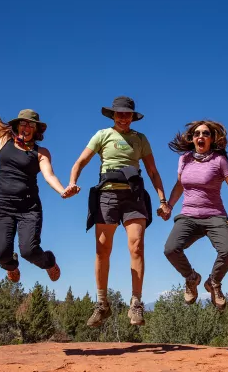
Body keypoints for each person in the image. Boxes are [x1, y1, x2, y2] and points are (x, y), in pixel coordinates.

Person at [63, 96, 171, 327]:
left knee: (137, 245)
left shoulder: (140, 139)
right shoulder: (102, 135)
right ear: (113, 115)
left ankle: (136, 304)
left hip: (134, 196)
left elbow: (152, 171)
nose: (123, 117)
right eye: (119, 113)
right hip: (107, 195)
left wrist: (163, 200)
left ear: (133, 116)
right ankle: (102, 304)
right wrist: (72, 181)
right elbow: (81, 161)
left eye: (127, 114)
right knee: (103, 249)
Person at [0, 62, 66, 284]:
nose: (26, 127)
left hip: (29, 208)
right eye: (23, 123)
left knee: (29, 251)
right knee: (0, 254)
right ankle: (11, 267)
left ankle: (49, 262)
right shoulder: (4, 138)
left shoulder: (41, 152)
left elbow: (49, 175)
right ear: (17, 125)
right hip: (3, 206)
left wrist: (62, 190)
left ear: (37, 130)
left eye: (31, 125)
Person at [162, 120, 228, 310]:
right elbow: (180, 185)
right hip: (188, 215)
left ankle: (213, 283)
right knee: (170, 249)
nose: (201, 136)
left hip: (214, 216)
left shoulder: (219, 161)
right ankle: (192, 278)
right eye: (197, 134)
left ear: (212, 138)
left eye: (205, 133)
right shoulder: (184, 159)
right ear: (191, 139)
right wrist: (169, 206)